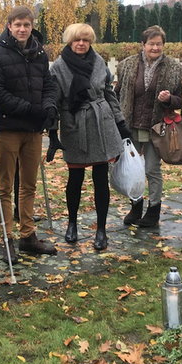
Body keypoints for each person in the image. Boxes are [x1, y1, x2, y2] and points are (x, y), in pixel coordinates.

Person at [46, 23, 130, 251]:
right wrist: (53, 133)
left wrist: (120, 122)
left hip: (101, 123)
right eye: (77, 40)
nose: (81, 44)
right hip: (74, 124)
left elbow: (108, 93)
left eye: (85, 40)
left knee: (101, 178)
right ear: (69, 41)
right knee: (75, 178)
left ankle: (101, 229)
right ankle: (72, 223)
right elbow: (53, 100)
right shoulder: (59, 67)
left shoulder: (99, 62)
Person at [0, 5, 57, 261]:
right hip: (8, 128)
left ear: (31, 26)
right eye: (18, 25)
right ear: (10, 26)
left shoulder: (39, 53)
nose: (23, 29)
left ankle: (28, 235)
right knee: (5, 187)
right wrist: (31, 109)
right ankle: (7, 237)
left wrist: (48, 107)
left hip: (33, 130)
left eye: (27, 25)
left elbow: (48, 84)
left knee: (28, 185)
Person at [115, 26, 182, 227]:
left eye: (159, 44)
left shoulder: (174, 68)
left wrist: (169, 99)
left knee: (152, 169)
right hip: (131, 126)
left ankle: (153, 211)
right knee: (132, 170)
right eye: (151, 44)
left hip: (156, 127)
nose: (155, 47)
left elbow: (179, 101)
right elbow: (117, 93)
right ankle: (135, 207)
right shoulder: (127, 65)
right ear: (143, 45)